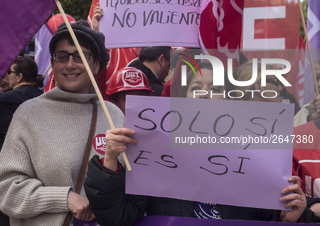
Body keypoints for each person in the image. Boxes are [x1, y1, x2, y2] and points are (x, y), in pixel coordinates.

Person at [84, 61, 314, 225]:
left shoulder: (255, 153)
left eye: (215, 89)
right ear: (182, 98)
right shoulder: (156, 153)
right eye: (196, 88)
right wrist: (111, 159)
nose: (205, 94)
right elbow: (118, 217)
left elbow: (267, 216)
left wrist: (286, 217)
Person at [0, 20, 124, 225]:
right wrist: (64, 198)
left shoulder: (113, 115)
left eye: (80, 56)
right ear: (53, 64)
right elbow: (5, 189)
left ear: (96, 64)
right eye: (62, 57)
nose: (70, 64)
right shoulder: (29, 114)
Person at [0, 57, 44, 225]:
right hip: (38, 167)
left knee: (4, 215)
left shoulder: (1, 101)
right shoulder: (44, 97)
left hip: (4, 168)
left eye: (10, 72)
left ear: (19, 76)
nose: (6, 76)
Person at [294, 59, 320, 126]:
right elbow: (294, 134)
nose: (319, 84)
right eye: (317, 78)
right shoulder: (305, 111)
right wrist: (310, 119)